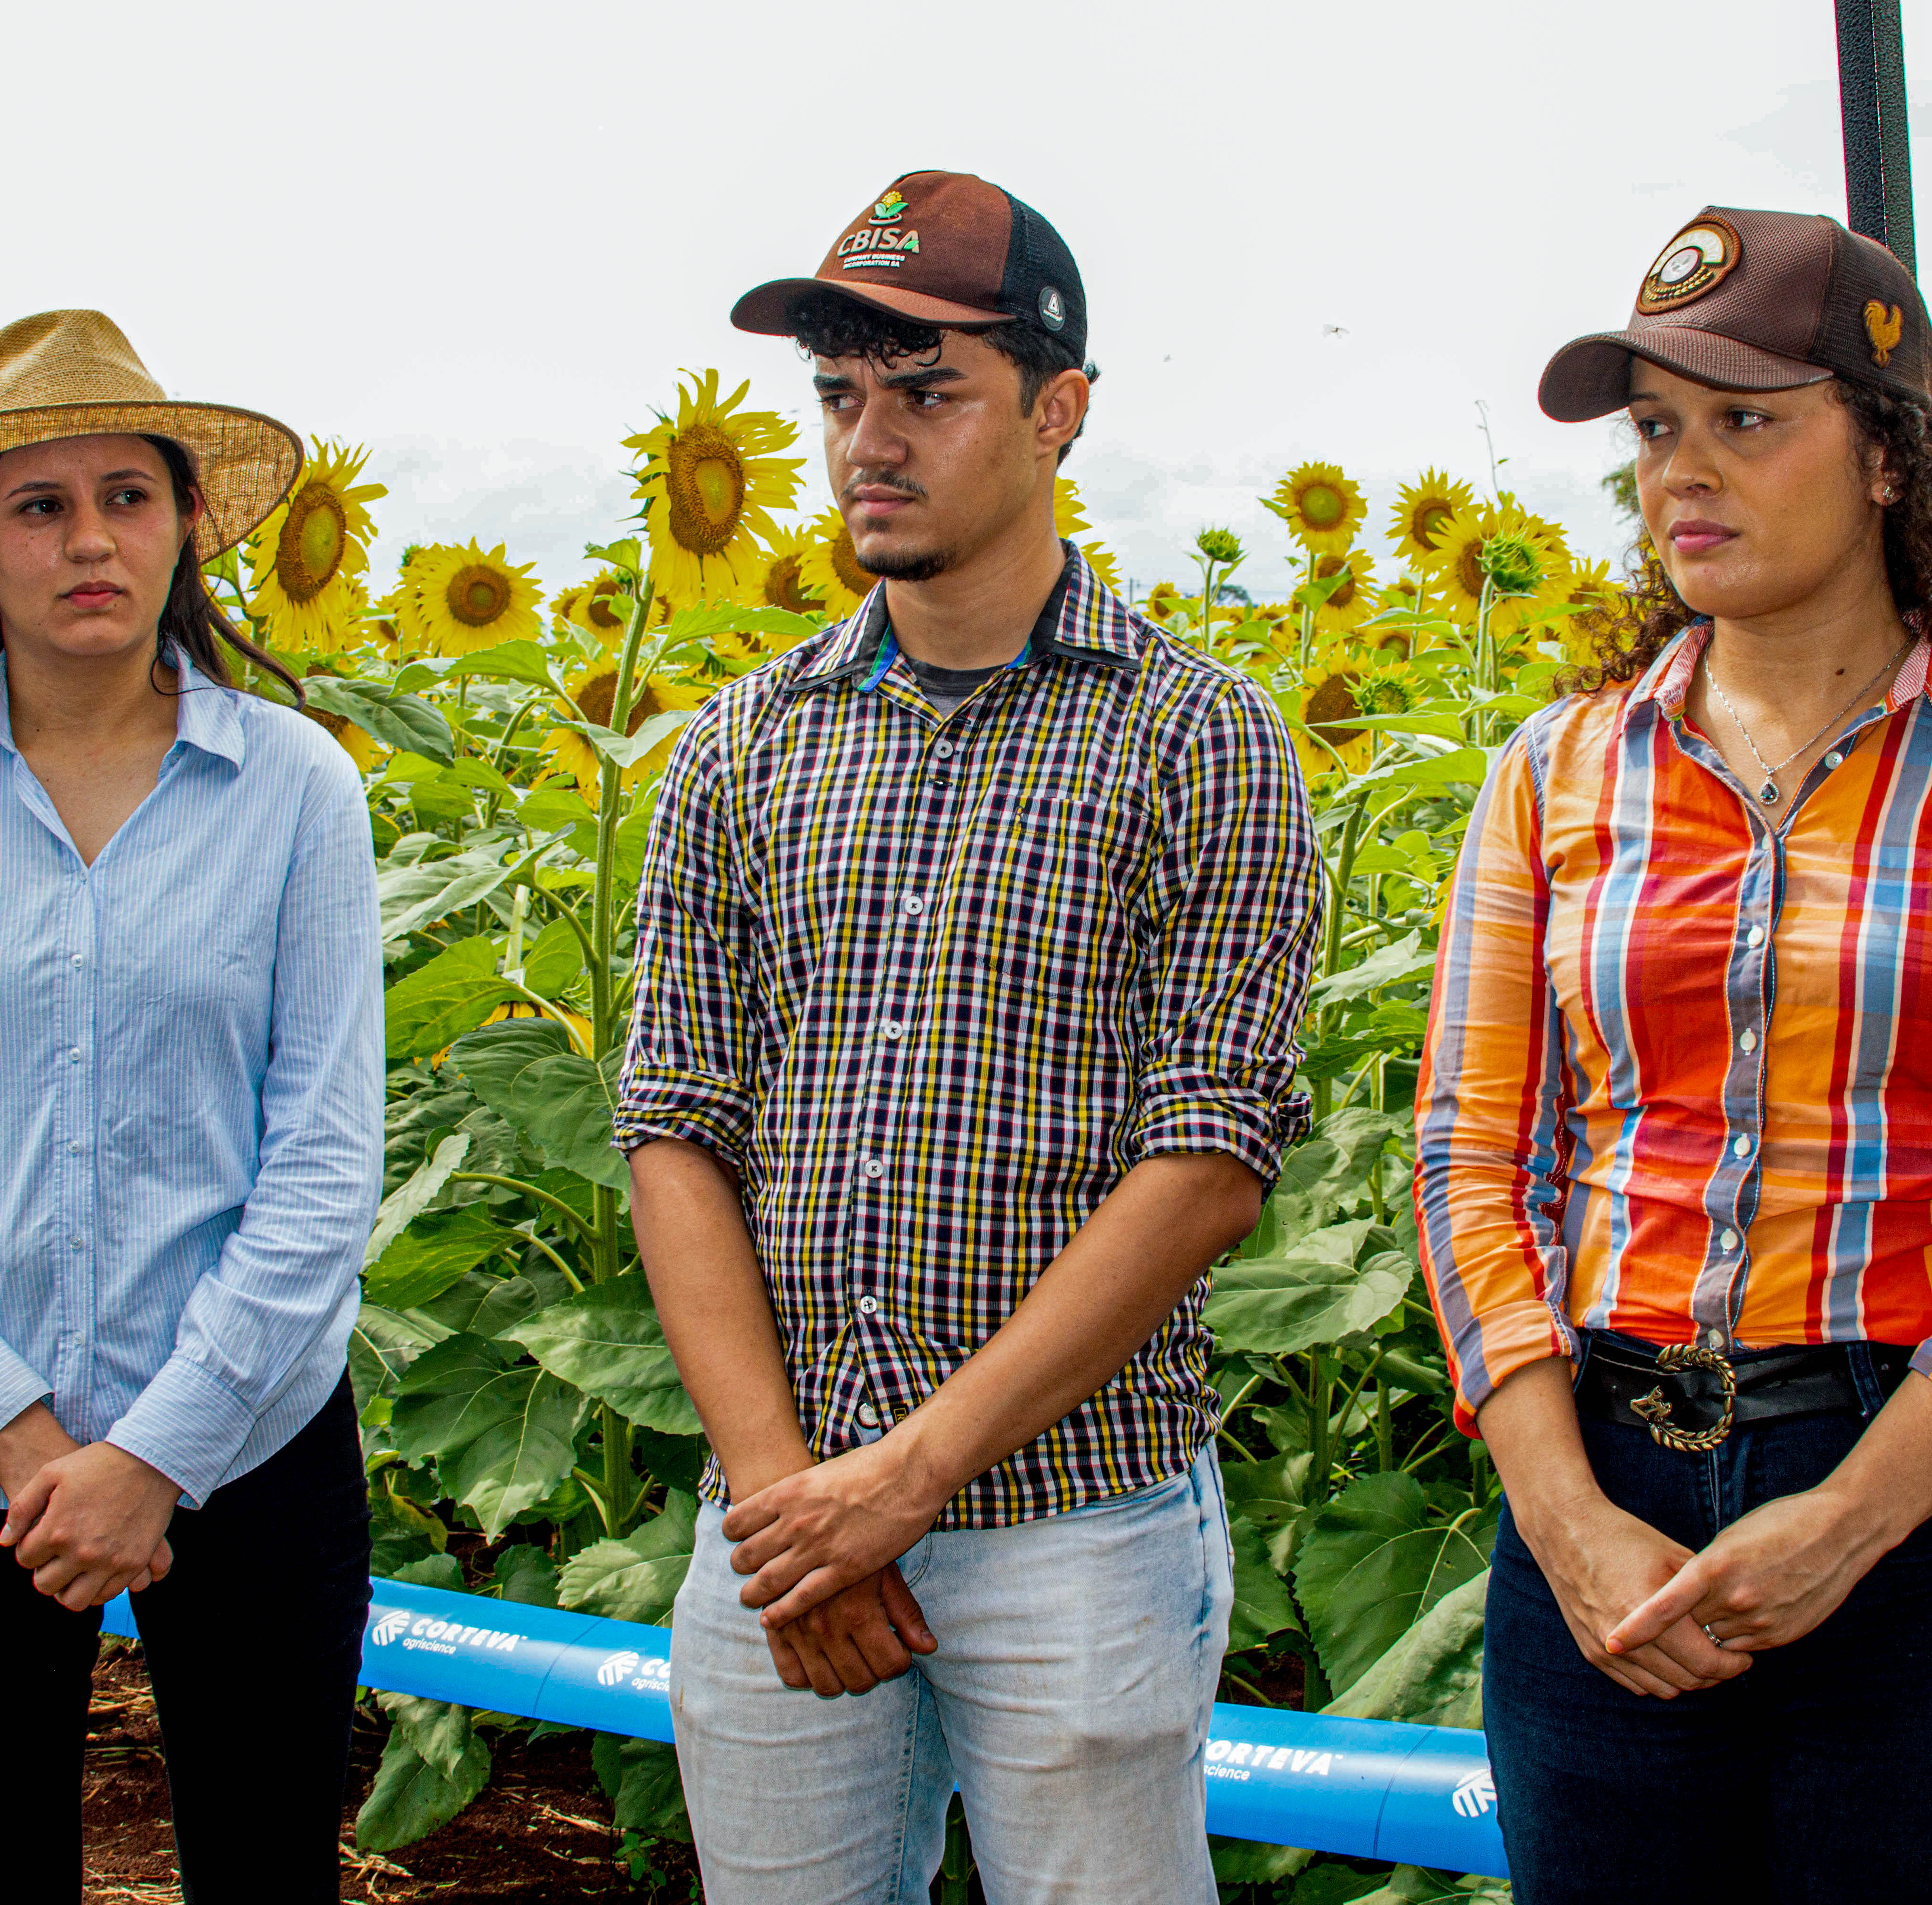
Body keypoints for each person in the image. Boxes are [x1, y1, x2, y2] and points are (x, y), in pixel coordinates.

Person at [1411, 207, 1932, 1905]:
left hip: (1929, 1516)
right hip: (1599, 1503)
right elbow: (1475, 1161)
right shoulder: (1554, 773)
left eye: (1747, 421)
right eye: (1657, 432)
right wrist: (1560, 1517)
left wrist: (1858, 1514)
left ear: (1892, 455)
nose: (1685, 473)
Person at [616, 170, 1324, 1904]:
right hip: (776, 1525)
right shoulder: (737, 747)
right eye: (845, 398)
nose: (873, 440)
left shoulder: (1197, 740)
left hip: (1075, 1530)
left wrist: (903, 1483)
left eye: (931, 393)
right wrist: (796, 1505)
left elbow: (1210, 1162)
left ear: (1059, 412)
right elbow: (675, 1129)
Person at [0, 309, 383, 1903]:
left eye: (128, 494)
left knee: (269, 1879)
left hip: (249, 1448)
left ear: (188, 525)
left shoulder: (299, 788)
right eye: (37, 506)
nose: (90, 540)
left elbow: (324, 1165)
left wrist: (153, 1457)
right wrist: (31, 1442)